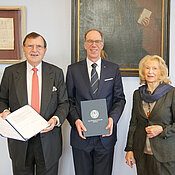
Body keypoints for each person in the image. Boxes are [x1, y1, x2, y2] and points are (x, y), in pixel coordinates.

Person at [0, 32, 69, 175]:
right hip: (20, 141)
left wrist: (55, 120)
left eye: (39, 46)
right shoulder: (10, 72)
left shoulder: (56, 73)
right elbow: (1, 100)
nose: (34, 50)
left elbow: (64, 103)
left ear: (45, 50)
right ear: (23, 48)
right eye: (30, 46)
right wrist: (4, 111)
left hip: (48, 140)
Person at [66, 29, 126, 175]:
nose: (94, 45)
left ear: (102, 44)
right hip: (81, 135)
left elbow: (120, 99)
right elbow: (68, 100)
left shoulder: (113, 69)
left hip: (105, 136)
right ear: (85, 44)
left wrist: (113, 119)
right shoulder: (73, 69)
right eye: (90, 41)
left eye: (97, 41)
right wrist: (76, 121)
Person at [125, 55, 175, 175]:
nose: (150, 71)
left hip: (165, 155)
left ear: (161, 72)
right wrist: (130, 149)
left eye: (155, 68)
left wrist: (162, 129)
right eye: (147, 68)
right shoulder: (137, 94)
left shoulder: (171, 93)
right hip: (141, 153)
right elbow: (134, 123)